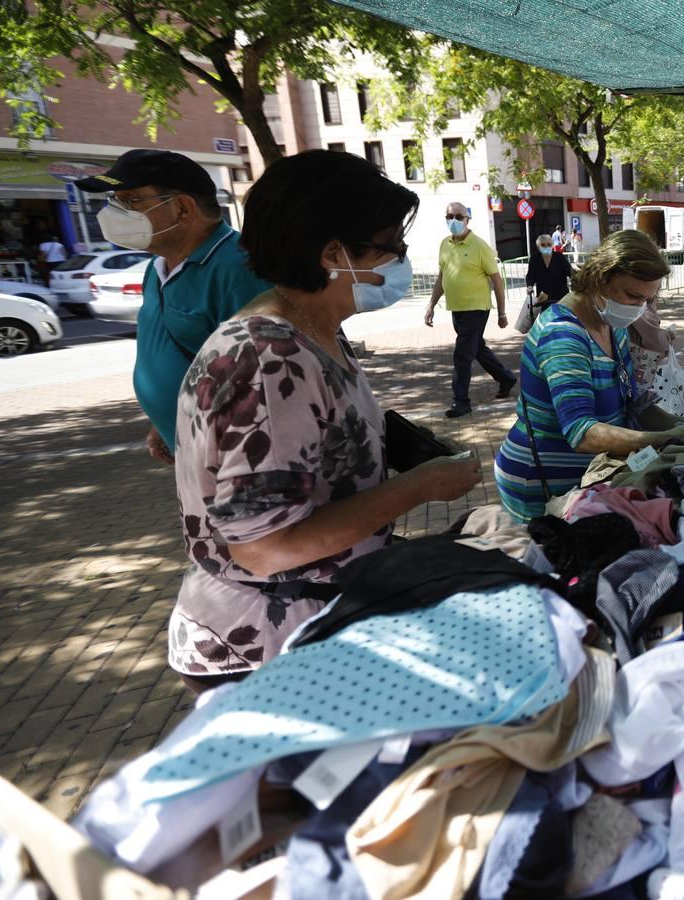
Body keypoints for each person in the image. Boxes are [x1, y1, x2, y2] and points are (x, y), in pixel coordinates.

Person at [170, 149, 482, 690]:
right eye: (391, 246)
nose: (401, 260)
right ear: (334, 252)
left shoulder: (315, 333)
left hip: (316, 622)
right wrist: (418, 487)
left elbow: (310, 445)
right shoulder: (268, 358)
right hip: (265, 649)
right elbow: (266, 547)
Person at [74, 149, 270, 467]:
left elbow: (265, 379)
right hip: (187, 444)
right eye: (115, 200)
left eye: (130, 200)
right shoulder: (157, 268)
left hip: (232, 458)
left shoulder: (238, 270)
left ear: (182, 207)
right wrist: (166, 422)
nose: (116, 211)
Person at [494, 230, 684, 522]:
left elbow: (634, 402)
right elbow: (581, 432)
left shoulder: (613, 325)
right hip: (540, 485)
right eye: (633, 296)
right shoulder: (563, 335)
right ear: (601, 278)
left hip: (585, 481)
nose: (639, 308)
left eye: (647, 300)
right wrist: (664, 439)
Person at [425, 201, 517, 417]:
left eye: (459, 216)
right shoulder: (444, 244)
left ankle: (461, 401)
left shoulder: (480, 246)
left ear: (467, 219)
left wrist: (502, 313)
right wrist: (431, 305)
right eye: (449, 216)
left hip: (476, 308)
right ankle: (506, 378)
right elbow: (442, 277)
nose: (454, 221)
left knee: (462, 355)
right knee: (476, 348)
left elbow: (497, 281)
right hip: (456, 308)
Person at [519, 232, 573, 332]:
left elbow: (570, 272)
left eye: (548, 244)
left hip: (561, 296)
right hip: (544, 298)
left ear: (552, 245)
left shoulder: (559, 257)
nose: (546, 247)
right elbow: (530, 275)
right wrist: (529, 286)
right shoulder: (535, 259)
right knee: (547, 324)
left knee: (562, 323)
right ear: (538, 246)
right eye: (543, 245)